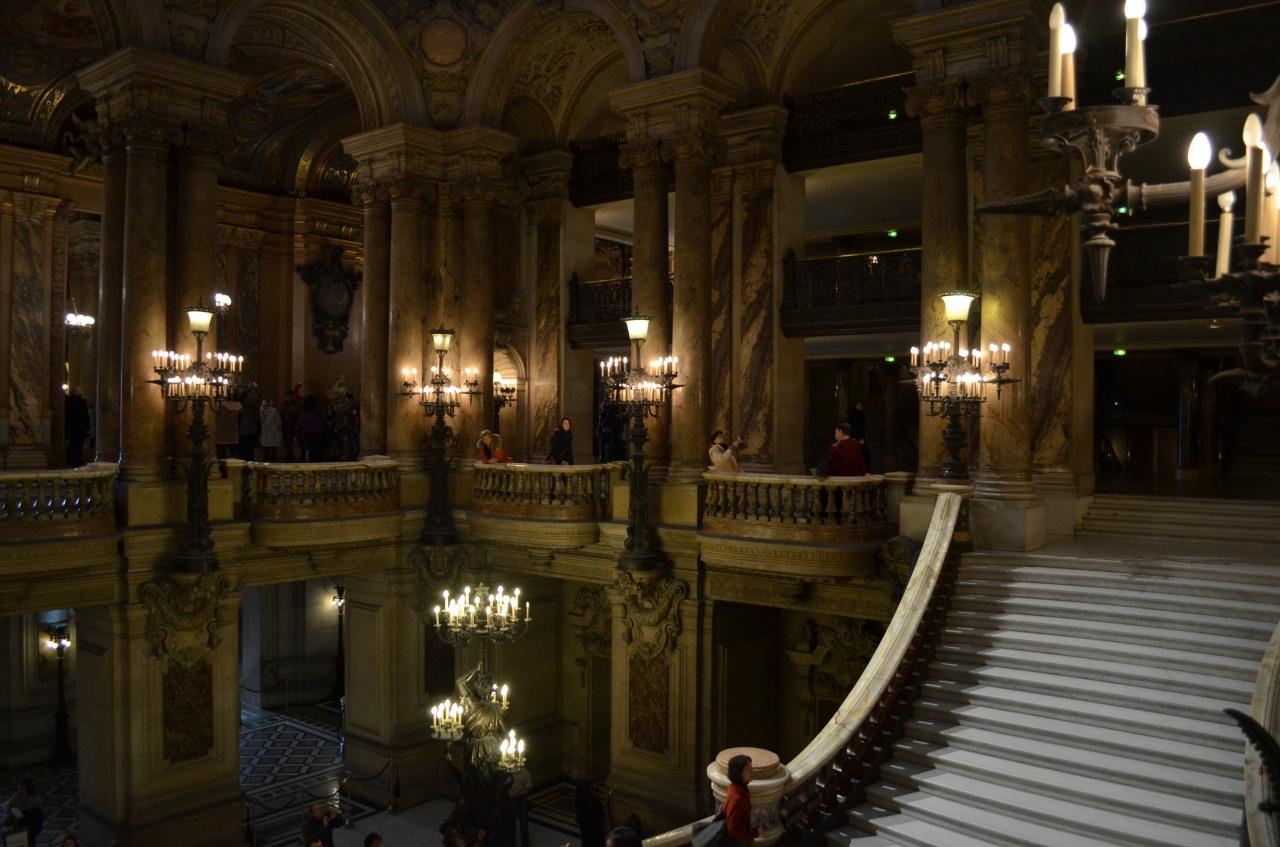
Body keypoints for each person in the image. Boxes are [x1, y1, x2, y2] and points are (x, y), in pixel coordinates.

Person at [723, 754, 757, 847]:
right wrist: (752, 834)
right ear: (738, 772)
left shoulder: (736, 787)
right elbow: (732, 830)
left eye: (751, 767)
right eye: (748, 768)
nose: (752, 771)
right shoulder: (737, 798)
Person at [574, 780, 607, 847]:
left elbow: (579, 817)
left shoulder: (579, 800)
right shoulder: (595, 798)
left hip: (586, 830)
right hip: (597, 828)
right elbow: (602, 813)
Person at [65, 386, 91, 467]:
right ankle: (77, 460)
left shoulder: (68, 401)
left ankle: (71, 460)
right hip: (80, 427)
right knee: (78, 445)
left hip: (72, 427)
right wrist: (87, 427)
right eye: (79, 390)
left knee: (73, 444)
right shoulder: (82, 402)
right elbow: (85, 415)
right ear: (76, 392)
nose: (81, 391)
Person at [296, 395, 327, 462]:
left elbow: (301, 421)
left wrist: (299, 432)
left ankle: (311, 462)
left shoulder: (304, 409)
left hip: (308, 432)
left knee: (310, 449)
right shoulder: (319, 408)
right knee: (318, 450)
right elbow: (324, 418)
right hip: (318, 432)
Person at [508, 765, 532, 847]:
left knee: (523, 823)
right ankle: (511, 843)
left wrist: (518, 794)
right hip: (509, 801)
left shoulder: (525, 772)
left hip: (521, 800)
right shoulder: (506, 771)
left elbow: (529, 788)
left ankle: (525, 844)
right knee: (510, 823)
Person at [215, 394, 242, 460]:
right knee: (230, 453)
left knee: (224, 453)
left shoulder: (221, 404)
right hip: (230, 431)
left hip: (226, 431)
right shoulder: (237, 405)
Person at [850, 399, 871, 470]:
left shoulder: (861, 415)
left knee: (863, 454)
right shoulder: (854, 415)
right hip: (856, 437)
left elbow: (862, 427)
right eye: (859, 405)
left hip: (860, 437)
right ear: (855, 406)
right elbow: (854, 427)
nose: (860, 406)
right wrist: (856, 438)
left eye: (861, 404)